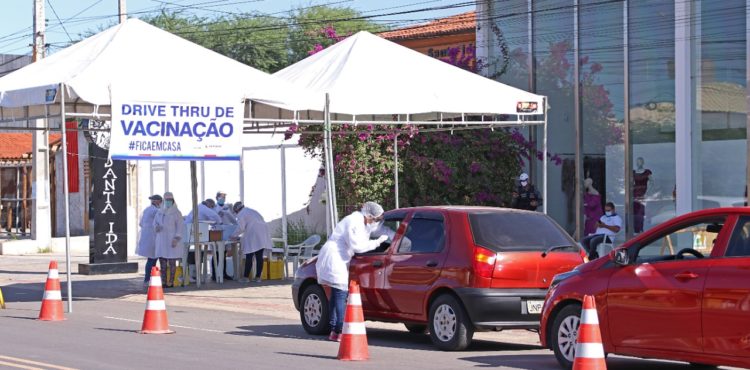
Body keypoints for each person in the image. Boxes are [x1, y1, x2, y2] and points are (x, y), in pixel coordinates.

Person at [315, 201, 393, 342]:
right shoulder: (354, 222)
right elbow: (359, 247)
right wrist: (377, 242)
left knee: (335, 294)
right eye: (375, 219)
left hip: (339, 257)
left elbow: (379, 230)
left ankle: (334, 330)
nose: (376, 222)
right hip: (334, 257)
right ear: (369, 215)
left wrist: (393, 235)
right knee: (340, 293)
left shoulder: (364, 222)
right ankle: (339, 330)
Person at [230, 202, 272, 283]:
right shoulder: (251, 211)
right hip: (262, 234)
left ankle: (245, 277)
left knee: (249, 255)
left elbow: (241, 228)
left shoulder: (242, 214)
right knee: (259, 256)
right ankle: (258, 277)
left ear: (237, 209)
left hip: (253, 235)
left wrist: (233, 235)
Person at [153, 192, 186, 288]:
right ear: (163, 201)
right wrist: (156, 227)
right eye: (166, 200)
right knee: (162, 262)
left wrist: (177, 238)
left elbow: (180, 227)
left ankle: (171, 282)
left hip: (172, 241)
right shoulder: (159, 212)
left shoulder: (176, 213)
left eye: (170, 200)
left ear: (173, 201)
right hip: (161, 240)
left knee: (172, 262)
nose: (168, 202)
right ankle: (163, 281)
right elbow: (154, 223)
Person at [136, 194, 162, 288]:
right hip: (152, 238)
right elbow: (161, 222)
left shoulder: (147, 209)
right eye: (160, 201)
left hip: (147, 237)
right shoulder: (155, 211)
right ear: (156, 201)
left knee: (151, 259)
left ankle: (149, 278)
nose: (161, 203)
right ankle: (148, 279)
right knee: (152, 259)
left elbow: (141, 223)